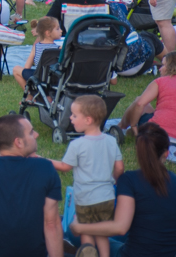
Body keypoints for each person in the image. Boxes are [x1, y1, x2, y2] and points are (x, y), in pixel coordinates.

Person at [70, 123, 176, 257]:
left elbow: (120, 227)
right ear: (166, 153)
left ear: (138, 152)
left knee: (74, 231)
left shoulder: (130, 180)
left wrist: (78, 226)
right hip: (175, 254)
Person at [0, 114, 63, 257]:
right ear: (19, 142)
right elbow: (51, 223)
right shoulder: (46, 169)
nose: (36, 135)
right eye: (31, 132)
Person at [47, 95, 123, 257]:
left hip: (85, 197)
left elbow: (65, 167)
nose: (70, 118)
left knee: (86, 231)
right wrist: (115, 181)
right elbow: (119, 167)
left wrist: (44, 160)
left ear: (88, 120)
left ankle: (87, 253)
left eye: (74, 115)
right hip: (107, 196)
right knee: (101, 232)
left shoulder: (77, 145)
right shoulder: (111, 141)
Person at [119, 51, 176, 142]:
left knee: (140, 101)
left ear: (171, 67)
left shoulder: (161, 81)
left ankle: (120, 127)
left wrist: (133, 125)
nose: (160, 69)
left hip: (158, 133)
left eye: (162, 65)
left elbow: (139, 104)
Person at [13, 16, 62, 90]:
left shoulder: (36, 47)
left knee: (16, 69)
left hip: (38, 78)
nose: (61, 31)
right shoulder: (59, 49)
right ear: (48, 33)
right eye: (58, 29)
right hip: (55, 78)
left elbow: (27, 68)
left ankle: (29, 96)